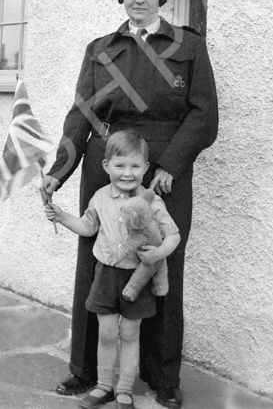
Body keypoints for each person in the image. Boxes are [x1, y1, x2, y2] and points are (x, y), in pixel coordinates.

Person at [40, 0, 218, 408]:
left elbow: (204, 115)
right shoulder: (100, 49)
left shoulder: (188, 46)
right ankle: (84, 370)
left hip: (164, 169)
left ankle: (163, 377)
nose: (139, 0)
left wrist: (170, 165)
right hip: (108, 163)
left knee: (162, 266)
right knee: (96, 264)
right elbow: (80, 115)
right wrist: (58, 171)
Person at [44, 130, 181, 409]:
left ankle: (124, 391)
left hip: (137, 279)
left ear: (145, 167)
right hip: (106, 276)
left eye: (134, 166)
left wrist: (159, 253)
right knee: (106, 334)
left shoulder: (151, 201)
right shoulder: (99, 198)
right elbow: (88, 227)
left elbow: (174, 235)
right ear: (107, 166)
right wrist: (62, 216)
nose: (127, 173)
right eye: (120, 166)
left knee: (130, 334)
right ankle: (104, 386)